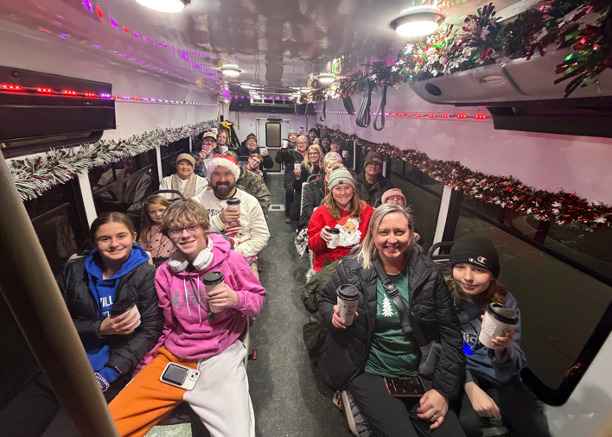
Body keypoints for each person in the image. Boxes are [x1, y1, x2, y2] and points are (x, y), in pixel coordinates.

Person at [109, 200, 265, 437]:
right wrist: (146, 363)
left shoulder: (232, 261)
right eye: (175, 230)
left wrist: (235, 298)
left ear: (204, 227)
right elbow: (169, 325)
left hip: (220, 354)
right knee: (108, 424)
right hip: (175, 355)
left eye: (191, 227)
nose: (184, 235)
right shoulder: (164, 273)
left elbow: (257, 302)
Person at [0, 212, 164, 437]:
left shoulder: (147, 275)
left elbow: (149, 331)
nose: (114, 244)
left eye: (121, 236)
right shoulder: (73, 271)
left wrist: (108, 374)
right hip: (59, 368)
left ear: (133, 237)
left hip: (105, 375)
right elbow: (50, 322)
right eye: (105, 238)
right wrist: (100, 327)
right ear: (94, 242)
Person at [318, 203, 466, 437]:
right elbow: (326, 300)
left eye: (399, 232)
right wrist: (333, 315)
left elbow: (451, 331)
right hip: (368, 368)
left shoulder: (429, 273)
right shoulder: (352, 268)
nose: (392, 240)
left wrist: (443, 391)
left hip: (418, 370)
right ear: (372, 234)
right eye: (384, 232)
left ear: (411, 232)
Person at [447, 236, 551, 437]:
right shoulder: (443, 296)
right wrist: (470, 386)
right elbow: (439, 347)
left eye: (478, 270)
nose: (468, 277)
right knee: (467, 424)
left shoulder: (505, 303)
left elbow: (515, 363)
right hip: (460, 368)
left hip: (496, 374)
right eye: (460, 267)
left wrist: (502, 349)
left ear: (492, 275)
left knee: (536, 428)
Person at [197, 155, 270, 276]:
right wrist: (219, 220)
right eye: (216, 174)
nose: (222, 179)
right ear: (210, 177)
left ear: (234, 177)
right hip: (205, 259)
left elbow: (262, 236)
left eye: (227, 174)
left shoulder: (250, 201)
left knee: (250, 287)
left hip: (241, 256)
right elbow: (190, 232)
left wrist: (237, 252)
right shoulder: (198, 202)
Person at [307, 167, 374, 272]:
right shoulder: (320, 213)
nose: (343, 193)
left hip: (359, 265)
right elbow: (312, 246)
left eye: (347, 187)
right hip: (329, 267)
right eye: (338, 188)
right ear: (331, 191)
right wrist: (320, 237)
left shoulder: (367, 211)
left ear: (353, 189)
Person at [298, 152, 342, 231]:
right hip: (315, 221)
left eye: (336, 167)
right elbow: (308, 209)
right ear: (325, 168)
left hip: (338, 223)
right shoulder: (313, 185)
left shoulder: (344, 187)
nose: (333, 170)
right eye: (330, 167)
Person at [224, 151, 271, 220]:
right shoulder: (218, 179)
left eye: (231, 165)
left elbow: (265, 200)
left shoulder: (254, 178)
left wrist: (255, 219)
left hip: (247, 215)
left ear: (238, 164)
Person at [276, 135, 309, 223]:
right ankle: (288, 213)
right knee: (290, 190)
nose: (301, 145)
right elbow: (286, 157)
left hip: (306, 176)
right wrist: (283, 149)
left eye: (303, 142)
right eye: (299, 143)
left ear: (307, 144)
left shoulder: (310, 153)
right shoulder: (292, 153)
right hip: (292, 175)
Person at [138, 195, 176, 265]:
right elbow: (142, 251)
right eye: (152, 212)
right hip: (150, 263)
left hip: (170, 262)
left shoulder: (175, 228)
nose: (158, 214)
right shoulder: (146, 232)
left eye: (161, 210)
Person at [291, 144, 325, 220]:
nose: (312, 155)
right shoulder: (304, 166)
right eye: (310, 153)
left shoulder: (325, 167)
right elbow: (297, 187)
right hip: (307, 192)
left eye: (315, 153)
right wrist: (298, 177)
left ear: (319, 154)